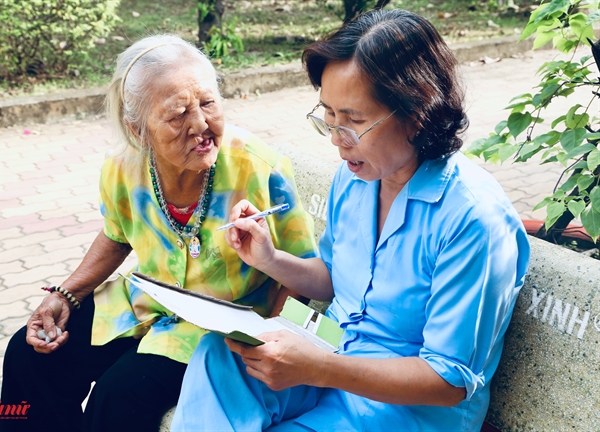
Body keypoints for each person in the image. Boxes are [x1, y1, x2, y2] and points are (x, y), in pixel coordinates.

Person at [171, 9, 531, 431]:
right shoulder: (358, 177)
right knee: (219, 357)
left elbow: (449, 381)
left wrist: (320, 369)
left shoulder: (474, 220)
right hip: (333, 356)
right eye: (329, 118)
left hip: (403, 410)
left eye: (354, 122)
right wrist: (269, 258)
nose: (339, 143)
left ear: (418, 111)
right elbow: (336, 277)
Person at [0, 35, 317, 432]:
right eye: (178, 113)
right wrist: (67, 294)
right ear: (138, 130)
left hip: (218, 329)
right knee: (29, 355)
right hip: (147, 303)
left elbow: (304, 269)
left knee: (120, 395)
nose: (200, 124)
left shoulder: (258, 168)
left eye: (208, 103)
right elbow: (116, 236)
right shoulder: (122, 169)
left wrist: (272, 340)